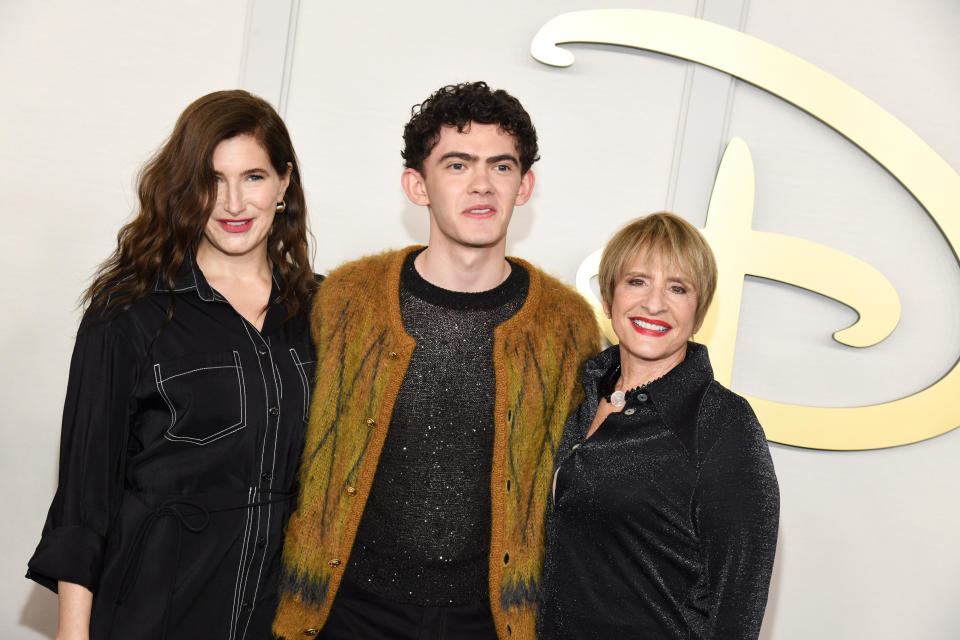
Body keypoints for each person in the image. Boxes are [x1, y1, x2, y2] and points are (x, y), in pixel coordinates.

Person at [272, 82, 600, 640]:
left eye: (501, 166)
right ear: (416, 185)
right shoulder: (346, 300)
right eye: (457, 164)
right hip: (344, 611)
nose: (481, 184)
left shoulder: (566, 328)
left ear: (525, 187)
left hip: (493, 620)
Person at [26, 90, 319, 639]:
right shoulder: (130, 311)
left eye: (253, 177)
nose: (233, 202)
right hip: (151, 614)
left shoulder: (323, 313)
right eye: (212, 180)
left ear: (283, 183)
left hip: (277, 620)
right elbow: (85, 497)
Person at [539, 213, 780, 639]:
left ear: (699, 311)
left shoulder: (723, 425)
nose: (654, 304)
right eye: (637, 281)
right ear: (608, 298)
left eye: (678, 288)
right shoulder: (575, 396)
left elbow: (737, 611)